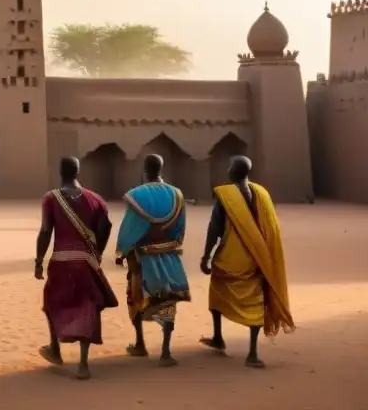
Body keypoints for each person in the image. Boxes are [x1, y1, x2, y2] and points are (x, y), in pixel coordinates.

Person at [199, 155, 294, 367]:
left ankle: (218, 337)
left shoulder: (226, 195)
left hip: (230, 258)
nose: (228, 169)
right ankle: (252, 353)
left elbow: (214, 229)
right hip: (257, 257)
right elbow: (271, 227)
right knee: (255, 302)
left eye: (229, 166)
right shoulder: (261, 193)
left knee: (216, 295)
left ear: (234, 170)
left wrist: (206, 255)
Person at [35, 156, 118, 380]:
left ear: (60, 173)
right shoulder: (97, 200)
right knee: (87, 308)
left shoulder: (51, 198)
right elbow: (106, 227)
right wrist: (97, 253)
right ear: (78, 172)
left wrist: (38, 261)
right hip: (86, 262)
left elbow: (45, 232)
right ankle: (83, 364)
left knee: (51, 303)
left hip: (61, 262)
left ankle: (55, 348)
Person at [116, 153, 191, 366]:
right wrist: (174, 242)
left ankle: (140, 344)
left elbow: (130, 227)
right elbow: (180, 228)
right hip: (169, 255)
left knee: (136, 299)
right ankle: (165, 352)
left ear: (144, 171)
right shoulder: (177, 195)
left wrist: (122, 251)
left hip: (142, 258)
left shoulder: (137, 195)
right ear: (162, 169)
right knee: (169, 301)